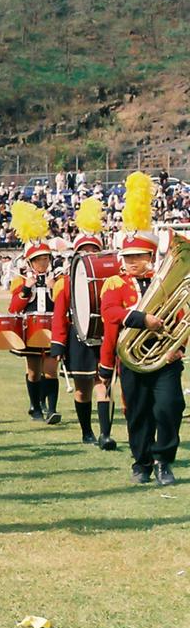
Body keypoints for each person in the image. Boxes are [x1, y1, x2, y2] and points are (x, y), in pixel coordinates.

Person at [99, 172, 182, 486]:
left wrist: (179, 348)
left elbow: (182, 315)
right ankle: (142, 462)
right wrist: (142, 320)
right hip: (132, 359)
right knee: (138, 413)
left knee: (171, 405)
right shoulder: (115, 283)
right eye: (128, 256)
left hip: (166, 358)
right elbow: (110, 313)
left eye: (138, 256)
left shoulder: (165, 283)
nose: (132, 261)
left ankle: (164, 460)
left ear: (150, 257)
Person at [49, 198, 113, 447]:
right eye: (84, 251)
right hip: (79, 338)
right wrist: (57, 346)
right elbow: (60, 316)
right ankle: (87, 432)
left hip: (105, 337)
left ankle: (105, 434)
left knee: (103, 384)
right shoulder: (66, 281)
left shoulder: (112, 279)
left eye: (93, 251)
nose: (89, 255)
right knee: (82, 389)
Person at [7, 202, 60, 424]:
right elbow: (14, 309)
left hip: (51, 329)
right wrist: (27, 288)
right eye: (39, 259)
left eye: (46, 258)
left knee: (51, 370)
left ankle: (51, 409)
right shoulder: (21, 280)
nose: (43, 262)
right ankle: (35, 405)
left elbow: (62, 305)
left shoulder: (56, 279)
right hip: (30, 330)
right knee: (33, 371)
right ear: (30, 262)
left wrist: (51, 288)